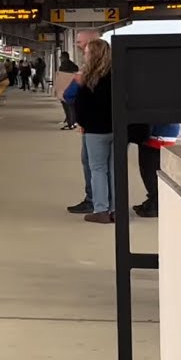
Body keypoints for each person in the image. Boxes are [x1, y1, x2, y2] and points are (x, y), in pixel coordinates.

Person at [72, 38, 114, 224]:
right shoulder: (116, 75)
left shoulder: (88, 78)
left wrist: (82, 123)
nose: (85, 55)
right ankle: (116, 209)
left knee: (97, 169)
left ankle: (100, 210)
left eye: (87, 52)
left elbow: (80, 107)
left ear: (93, 55)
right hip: (116, 130)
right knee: (114, 170)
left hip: (95, 132)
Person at [64, 30, 101, 214]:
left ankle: (94, 201)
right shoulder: (113, 67)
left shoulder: (87, 71)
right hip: (110, 126)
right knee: (106, 168)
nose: (79, 46)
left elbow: (69, 96)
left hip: (93, 129)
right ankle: (107, 203)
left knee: (93, 166)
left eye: (81, 44)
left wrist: (76, 82)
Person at [55, 51, 79, 129]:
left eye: (61, 57)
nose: (60, 59)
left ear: (64, 57)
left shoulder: (63, 66)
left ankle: (70, 123)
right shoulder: (74, 65)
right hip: (73, 87)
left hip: (65, 88)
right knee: (72, 106)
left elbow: (61, 78)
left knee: (66, 106)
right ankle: (73, 122)